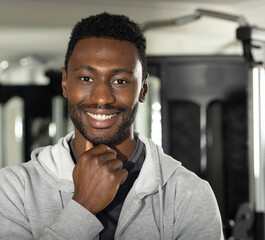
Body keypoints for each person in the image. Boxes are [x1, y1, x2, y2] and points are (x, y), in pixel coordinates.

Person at [0, 12, 223, 240]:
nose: (102, 98)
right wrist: (82, 208)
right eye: (86, 78)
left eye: (120, 81)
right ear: (65, 83)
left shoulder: (188, 194)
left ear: (143, 89)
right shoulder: (13, 189)